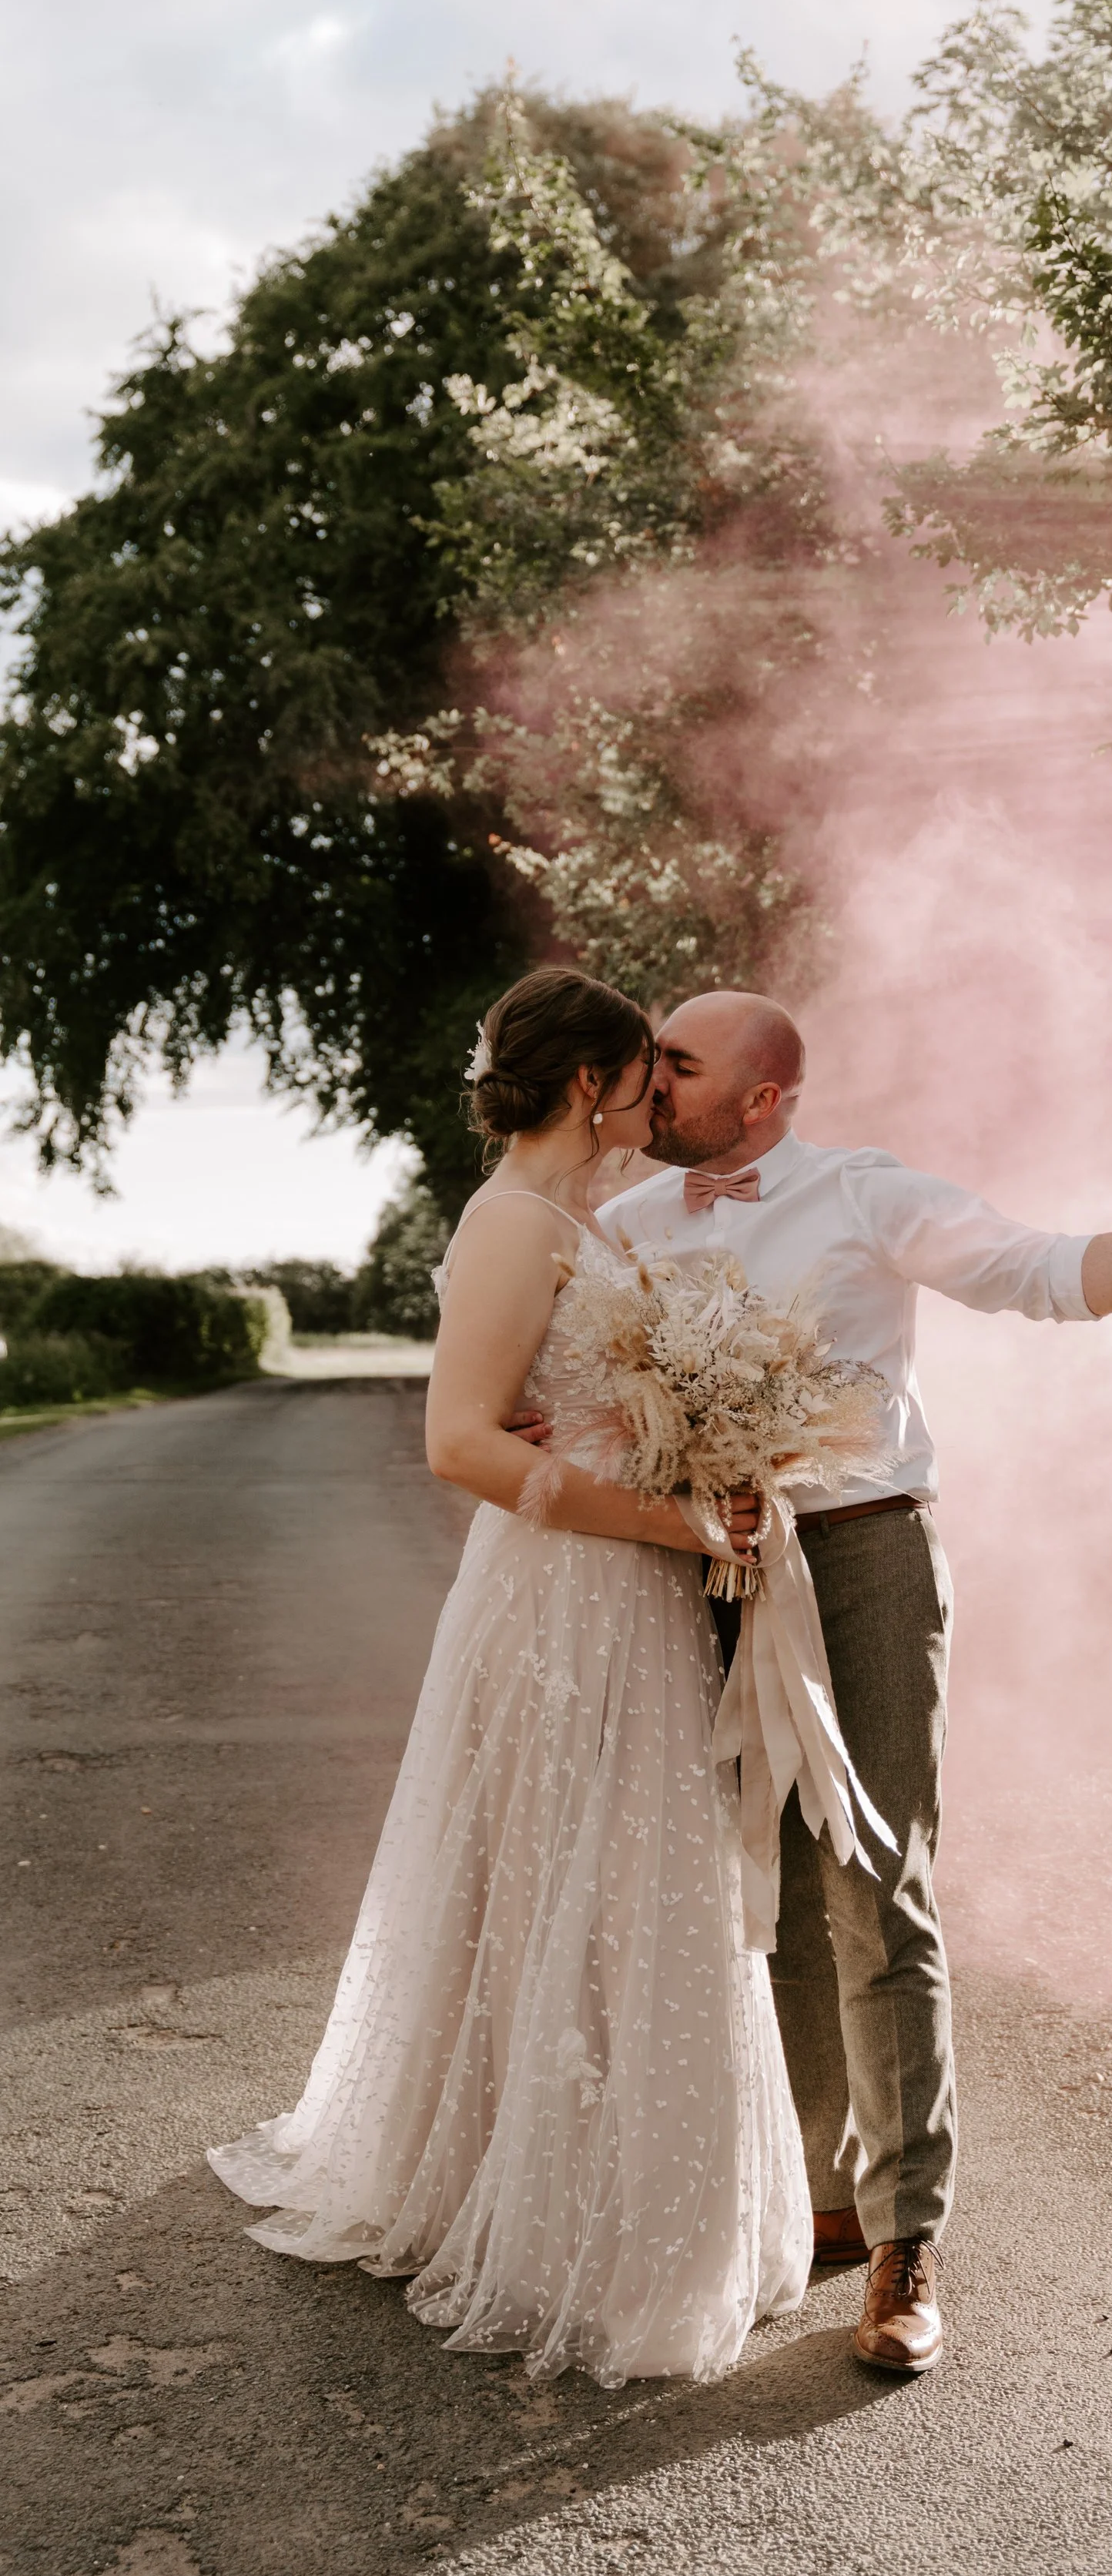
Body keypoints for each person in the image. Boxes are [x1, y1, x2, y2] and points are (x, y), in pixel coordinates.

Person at [596, 988, 1112, 2377]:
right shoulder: (623, 1231)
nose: (650, 1081)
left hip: (864, 1562)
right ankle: (822, 2197)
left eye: (680, 1062)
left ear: (766, 1097)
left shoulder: (862, 1194)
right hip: (704, 1575)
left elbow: (1041, 1272)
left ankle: (909, 2242)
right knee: (768, 1886)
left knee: (876, 1881)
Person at [209, 968, 809, 2386]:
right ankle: (524, 2195)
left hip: (633, 1591)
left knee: (623, 1877)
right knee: (552, 1869)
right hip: (564, 1594)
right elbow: (462, 1446)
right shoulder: (509, 1221)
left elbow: (607, 1381)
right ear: (592, 1085)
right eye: (644, 1073)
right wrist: (677, 1517)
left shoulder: (587, 1216)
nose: (663, 1094)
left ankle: (595, 2180)